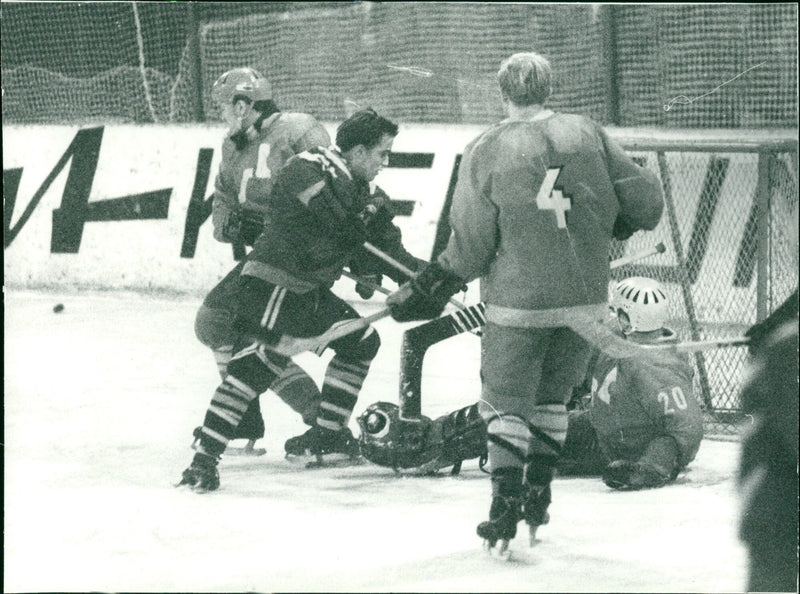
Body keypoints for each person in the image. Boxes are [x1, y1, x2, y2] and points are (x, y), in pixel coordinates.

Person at [386, 52, 664, 554]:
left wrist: (434, 283)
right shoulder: (588, 133)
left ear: (502, 92)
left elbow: (470, 245)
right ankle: (539, 494)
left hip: (518, 305)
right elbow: (645, 201)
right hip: (584, 306)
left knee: (505, 403)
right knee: (553, 399)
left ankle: (503, 507)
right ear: (549, 89)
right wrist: (615, 220)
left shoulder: (486, 147)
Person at [179, 108, 419, 492]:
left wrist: (427, 277)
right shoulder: (307, 166)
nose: (384, 163)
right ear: (357, 152)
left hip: (307, 290)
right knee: (260, 364)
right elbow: (334, 223)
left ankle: (325, 436)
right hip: (275, 284)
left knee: (360, 342)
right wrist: (365, 219)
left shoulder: (363, 190)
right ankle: (205, 458)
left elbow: (384, 250)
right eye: (381, 154)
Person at [360, 276, 703, 492]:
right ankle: (438, 436)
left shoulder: (657, 367)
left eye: (617, 312)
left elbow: (683, 430)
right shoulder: (621, 336)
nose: (612, 316)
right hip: (599, 425)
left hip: (614, 449)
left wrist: (649, 468)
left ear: (629, 318)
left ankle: (424, 447)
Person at [193, 66, 331, 454]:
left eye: (224, 107)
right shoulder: (233, 143)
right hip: (270, 255)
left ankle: (259, 419)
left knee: (218, 322)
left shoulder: (299, 129)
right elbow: (222, 192)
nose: (221, 115)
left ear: (242, 106)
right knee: (238, 331)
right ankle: (318, 417)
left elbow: (330, 192)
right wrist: (227, 224)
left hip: (298, 256)